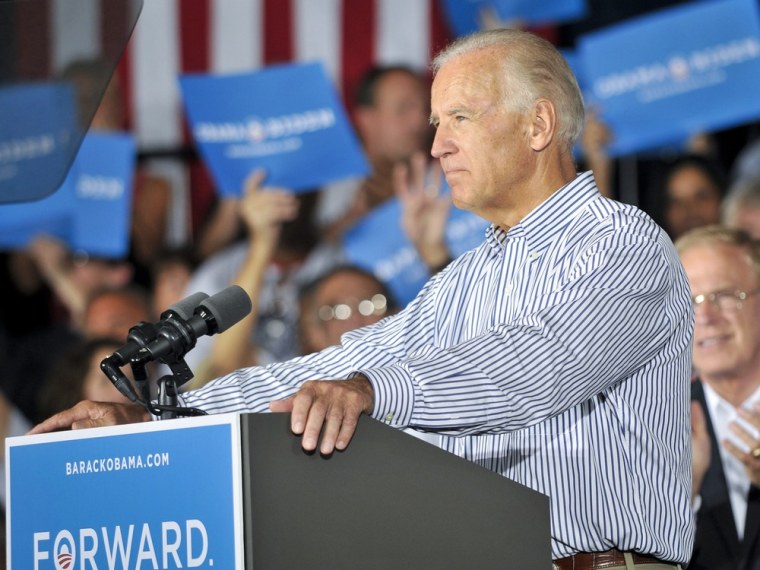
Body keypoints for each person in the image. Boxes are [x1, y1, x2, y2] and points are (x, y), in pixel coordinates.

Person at [32, 29, 694, 566]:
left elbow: (537, 366)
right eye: (436, 123)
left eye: (459, 118)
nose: (436, 145)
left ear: (539, 125)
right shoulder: (467, 278)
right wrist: (165, 417)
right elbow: (322, 371)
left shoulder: (621, 244)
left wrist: (375, 390)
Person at [676, 226, 760, 569]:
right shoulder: (656, 427)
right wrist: (684, 493)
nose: (707, 317)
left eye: (724, 295)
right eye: (690, 302)